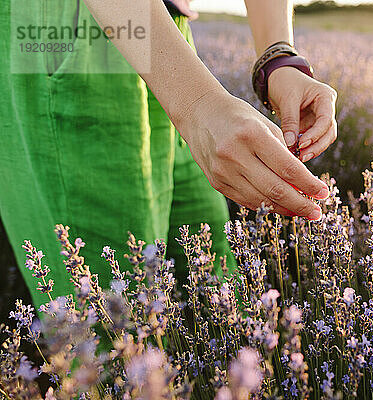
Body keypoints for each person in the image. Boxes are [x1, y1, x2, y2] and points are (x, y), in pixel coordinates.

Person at [0, 0, 337, 308]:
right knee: (115, 330)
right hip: (68, 26)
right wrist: (198, 104)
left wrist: (277, 58)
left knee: (222, 306)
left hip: (167, 35)